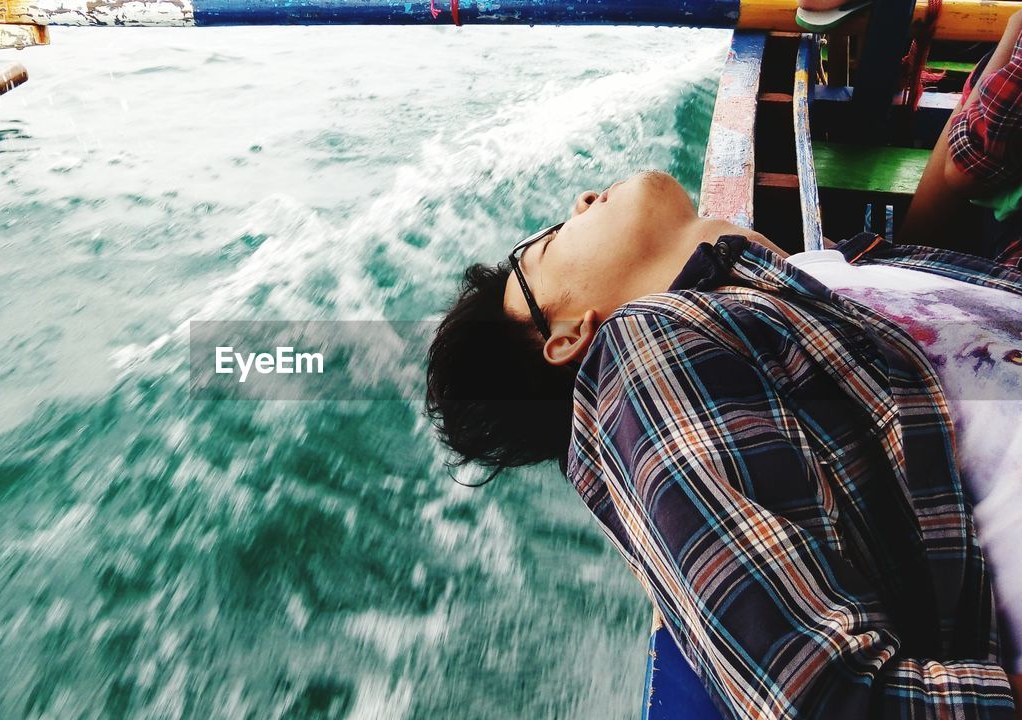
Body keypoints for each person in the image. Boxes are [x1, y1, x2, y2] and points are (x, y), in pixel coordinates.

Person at [425, 170, 1022, 718]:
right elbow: (824, 699)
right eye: (552, 241)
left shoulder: (814, 276)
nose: (580, 202)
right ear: (568, 335)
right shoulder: (645, 348)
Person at [900, 10, 1022, 264]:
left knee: (985, 72)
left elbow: (963, 171)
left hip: (1010, 272)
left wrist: (1015, 29)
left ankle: (905, 260)